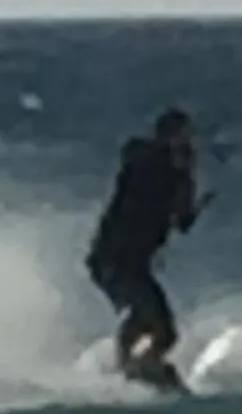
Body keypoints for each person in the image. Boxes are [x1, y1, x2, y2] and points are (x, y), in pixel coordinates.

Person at [86, 107, 208, 387]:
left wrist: (192, 188)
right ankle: (130, 367)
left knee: (163, 330)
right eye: (182, 136)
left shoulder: (179, 173)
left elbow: (182, 221)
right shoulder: (145, 160)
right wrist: (176, 166)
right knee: (150, 319)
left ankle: (137, 366)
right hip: (113, 258)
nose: (188, 142)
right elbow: (136, 165)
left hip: (135, 261)